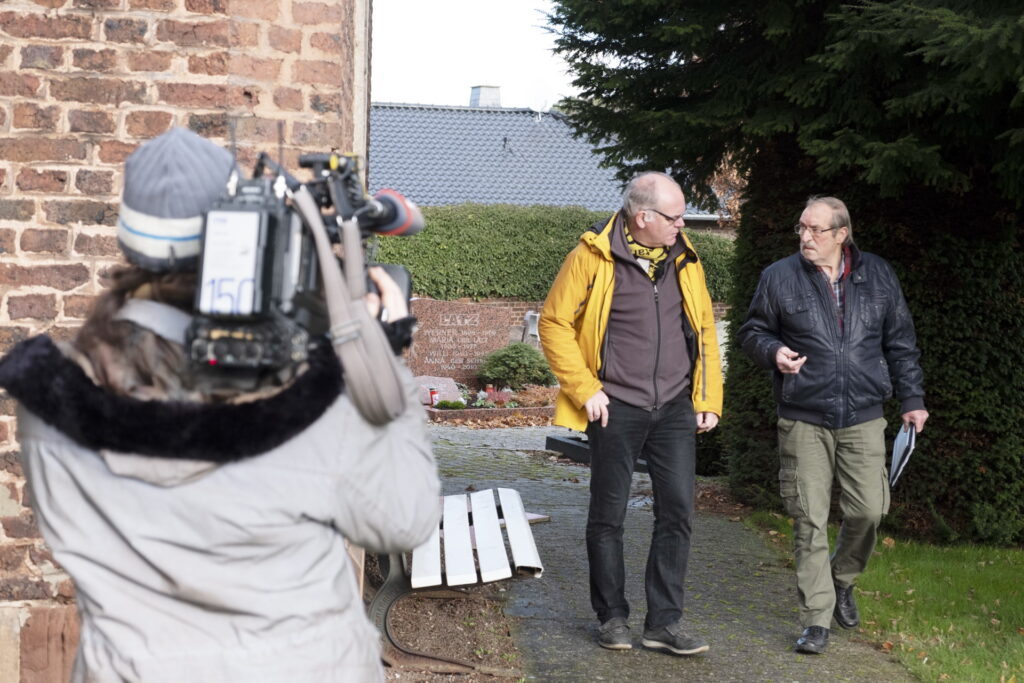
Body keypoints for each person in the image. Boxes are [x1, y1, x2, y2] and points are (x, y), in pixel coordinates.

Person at [0, 128, 441, 682]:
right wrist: (380, 358)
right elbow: (406, 519)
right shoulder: (311, 395)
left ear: (131, 242)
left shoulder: (51, 401)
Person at [539, 172, 723, 655]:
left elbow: (704, 329)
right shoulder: (592, 255)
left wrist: (707, 399)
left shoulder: (685, 259)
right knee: (608, 515)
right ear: (643, 217)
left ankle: (663, 624)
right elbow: (554, 321)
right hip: (615, 407)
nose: (682, 224)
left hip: (676, 408)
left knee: (679, 513)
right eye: (674, 216)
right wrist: (585, 389)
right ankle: (612, 617)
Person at [737, 196, 928, 655]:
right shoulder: (778, 276)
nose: (805, 237)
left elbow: (900, 340)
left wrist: (913, 398)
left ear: (842, 234)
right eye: (801, 228)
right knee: (808, 517)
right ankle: (817, 619)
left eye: (816, 230)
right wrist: (772, 352)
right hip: (803, 415)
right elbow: (752, 332)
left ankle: (842, 580)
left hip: (863, 413)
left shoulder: (877, 274)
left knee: (869, 510)